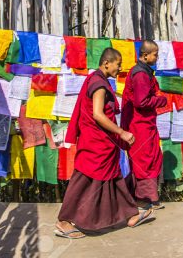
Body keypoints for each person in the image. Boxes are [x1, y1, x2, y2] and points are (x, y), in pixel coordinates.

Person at [55, 48, 153, 239]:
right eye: (118, 63)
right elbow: (98, 115)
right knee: (82, 180)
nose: (120, 67)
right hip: (95, 142)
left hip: (102, 142)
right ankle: (63, 221)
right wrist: (121, 132)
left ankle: (131, 214)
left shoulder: (96, 80)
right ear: (107, 63)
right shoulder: (99, 84)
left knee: (114, 177)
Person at [121, 40, 168, 209]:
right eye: (155, 54)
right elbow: (141, 101)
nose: (157, 57)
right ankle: (143, 199)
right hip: (138, 124)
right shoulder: (140, 74)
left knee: (153, 156)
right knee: (144, 159)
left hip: (145, 123)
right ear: (145, 55)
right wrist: (161, 100)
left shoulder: (144, 72)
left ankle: (146, 197)